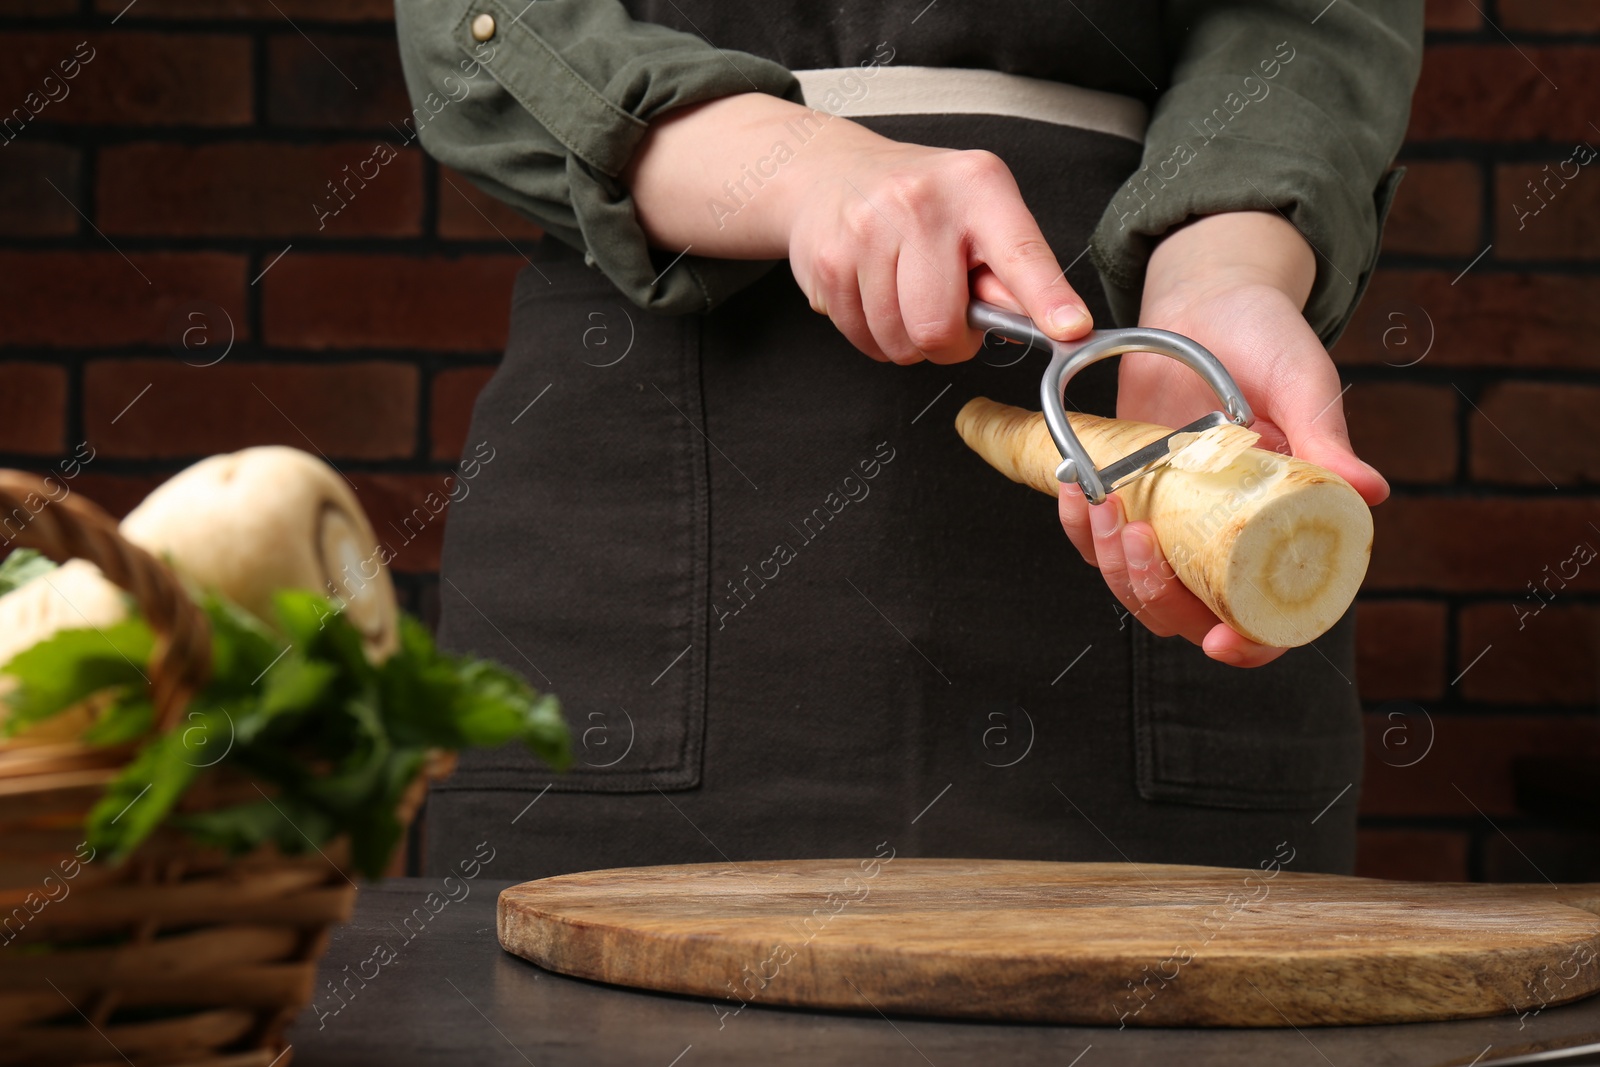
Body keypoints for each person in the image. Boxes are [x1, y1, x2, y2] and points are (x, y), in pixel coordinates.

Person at [393, 0, 1423, 878]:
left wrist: (1222, 275)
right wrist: (795, 169)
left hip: (1153, 565)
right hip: (636, 564)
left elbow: (1316, 24)